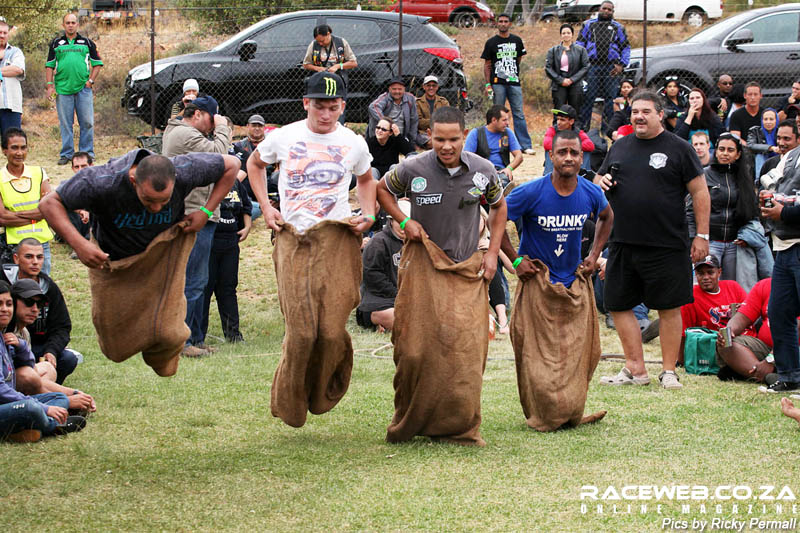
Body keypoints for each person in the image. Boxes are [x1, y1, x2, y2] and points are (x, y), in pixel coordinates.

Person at [246, 71, 376, 427]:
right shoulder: (284, 137)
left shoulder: (353, 142)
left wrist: (369, 213)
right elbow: (254, 165)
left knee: (331, 331)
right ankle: (289, 400)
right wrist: (267, 206)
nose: (325, 114)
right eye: (319, 106)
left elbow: (366, 179)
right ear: (306, 103)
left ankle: (323, 391)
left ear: (342, 107)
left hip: (334, 239)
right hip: (294, 239)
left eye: (333, 107)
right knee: (302, 332)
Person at [377, 106, 507, 445]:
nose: (446, 146)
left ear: (464, 136)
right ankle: (410, 419)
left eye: (453, 139)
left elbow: (499, 207)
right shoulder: (412, 168)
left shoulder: (483, 170)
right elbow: (382, 190)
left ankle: (457, 425)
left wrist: (491, 253)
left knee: (463, 351)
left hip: (466, 269)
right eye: (439, 139)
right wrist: (405, 222)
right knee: (414, 348)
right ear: (429, 137)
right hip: (422, 266)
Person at [595, 90, 710, 390]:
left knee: (669, 307)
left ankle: (669, 371)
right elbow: (599, 181)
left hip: (667, 243)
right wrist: (600, 181)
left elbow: (700, 192)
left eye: (645, 111)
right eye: (634, 112)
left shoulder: (679, 148)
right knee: (617, 303)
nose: (639, 117)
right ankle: (635, 368)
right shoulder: (619, 147)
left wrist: (702, 235)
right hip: (622, 242)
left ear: (660, 114)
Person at [162, 95, 233, 358]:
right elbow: (219, 155)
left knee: (198, 280)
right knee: (192, 280)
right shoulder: (184, 134)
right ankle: (184, 342)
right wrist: (223, 127)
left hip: (200, 212)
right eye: (212, 122)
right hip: (193, 214)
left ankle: (195, 337)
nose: (213, 129)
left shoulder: (182, 132)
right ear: (200, 114)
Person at [500, 129, 612, 288]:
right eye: (562, 152)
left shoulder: (591, 191)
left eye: (574, 153)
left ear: (581, 157)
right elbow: (495, 218)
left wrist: (594, 256)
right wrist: (516, 260)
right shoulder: (529, 192)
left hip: (575, 282)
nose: (568, 158)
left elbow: (607, 216)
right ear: (551, 156)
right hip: (536, 281)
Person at [0, 281, 86, 443]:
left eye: (8, 304)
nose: (5, 309)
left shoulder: (6, 336)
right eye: (0, 304)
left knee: (59, 398)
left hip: (11, 403)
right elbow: (1, 390)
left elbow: (30, 364)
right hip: (8, 404)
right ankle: (52, 426)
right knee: (30, 408)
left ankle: (21, 431)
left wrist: (21, 346)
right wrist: (44, 408)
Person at [3, 239, 79, 385]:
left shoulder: (50, 288)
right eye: (29, 256)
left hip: (36, 347)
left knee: (67, 359)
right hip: (7, 344)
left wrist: (51, 351)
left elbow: (61, 327)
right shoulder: (3, 284)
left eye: (40, 257)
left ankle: (41, 390)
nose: (35, 262)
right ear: (16, 258)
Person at [687, 132, 759, 281]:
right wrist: (694, 238)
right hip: (710, 241)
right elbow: (690, 209)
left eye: (730, 150)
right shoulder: (704, 175)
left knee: (732, 288)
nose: (725, 153)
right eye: (721, 149)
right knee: (705, 286)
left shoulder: (744, 178)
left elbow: (752, 211)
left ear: (738, 154)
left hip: (735, 243)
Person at [758, 142, 800, 392]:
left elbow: (786, 207)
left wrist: (785, 211)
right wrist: (773, 202)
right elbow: (768, 185)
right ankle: (791, 376)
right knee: (779, 312)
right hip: (783, 245)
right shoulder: (792, 155)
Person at [45, 13, 103, 165]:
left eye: (73, 22)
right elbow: (50, 66)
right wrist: (50, 86)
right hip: (63, 89)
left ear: (78, 24)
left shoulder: (87, 43)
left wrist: (90, 81)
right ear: (63, 25)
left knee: (87, 122)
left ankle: (86, 153)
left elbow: (97, 64)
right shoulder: (56, 43)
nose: (70, 25)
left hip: (83, 89)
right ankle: (67, 154)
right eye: (67, 23)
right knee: (65, 123)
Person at [200, 175, 251, 344]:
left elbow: (246, 206)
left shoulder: (235, 182)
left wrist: (247, 226)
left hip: (231, 242)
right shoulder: (205, 181)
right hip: (209, 241)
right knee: (204, 289)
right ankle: (197, 336)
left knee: (228, 289)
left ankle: (234, 335)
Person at [0, 128, 55, 275]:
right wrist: (35, 216)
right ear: (4, 150)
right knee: (16, 291)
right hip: (14, 245)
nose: (19, 153)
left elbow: (49, 209)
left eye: (23, 147)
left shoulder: (39, 173)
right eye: (14, 148)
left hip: (40, 244)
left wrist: (15, 214)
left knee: (41, 289)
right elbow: (2, 217)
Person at [481, 13, 534, 155]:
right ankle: (497, 144)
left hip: (514, 82)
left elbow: (518, 59)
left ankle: (525, 145)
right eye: (500, 21)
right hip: (497, 83)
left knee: (519, 113)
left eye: (506, 21)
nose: (503, 24)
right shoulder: (491, 42)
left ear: (509, 24)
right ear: (497, 24)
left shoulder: (517, 40)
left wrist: (512, 73)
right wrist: (488, 84)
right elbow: (487, 65)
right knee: (497, 114)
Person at [679, 254, 748, 359]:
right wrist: (681, 360)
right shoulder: (690, 297)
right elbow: (684, 334)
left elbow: (751, 315)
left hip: (745, 339)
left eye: (710, 272)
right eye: (700, 274)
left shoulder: (733, 287)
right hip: (714, 345)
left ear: (719, 272)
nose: (706, 277)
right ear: (695, 275)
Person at [356, 199, 410, 332]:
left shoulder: (414, 244)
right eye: (399, 222)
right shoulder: (378, 243)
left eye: (407, 223)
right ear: (391, 220)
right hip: (378, 300)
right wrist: (397, 294)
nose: (403, 227)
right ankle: (377, 320)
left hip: (405, 299)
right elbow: (371, 274)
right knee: (404, 323)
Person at [576, 1, 630, 128]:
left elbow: (626, 47)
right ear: (599, 9)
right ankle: (584, 128)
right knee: (588, 97)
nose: (606, 11)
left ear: (613, 12)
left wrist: (621, 64)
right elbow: (580, 44)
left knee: (610, 99)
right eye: (604, 8)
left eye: (609, 10)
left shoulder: (618, 28)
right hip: (592, 67)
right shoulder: (588, 25)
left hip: (611, 68)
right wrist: (582, 62)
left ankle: (609, 130)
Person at [716, 277, 780, 383]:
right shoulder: (766, 285)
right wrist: (729, 331)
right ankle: (769, 376)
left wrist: (771, 359)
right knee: (726, 344)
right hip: (766, 347)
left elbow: (794, 332)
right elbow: (742, 317)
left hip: (792, 348)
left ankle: (752, 373)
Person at [464, 104, 523, 186]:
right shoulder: (476, 133)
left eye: (508, 120)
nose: (507, 123)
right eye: (504, 120)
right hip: (480, 172)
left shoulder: (508, 133)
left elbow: (519, 156)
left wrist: (509, 168)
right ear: (494, 120)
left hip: (501, 173)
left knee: (503, 183)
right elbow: (467, 158)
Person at [367, 78, 428, 147]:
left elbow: (414, 120)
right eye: (394, 89)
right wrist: (386, 122)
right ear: (389, 89)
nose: (397, 91)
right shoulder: (385, 97)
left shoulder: (410, 99)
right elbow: (373, 106)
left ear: (404, 89)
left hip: (401, 136)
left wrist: (412, 141)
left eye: (400, 89)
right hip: (385, 137)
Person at [544, 24, 589, 118]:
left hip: (575, 84)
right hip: (559, 85)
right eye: (563, 33)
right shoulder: (553, 51)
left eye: (568, 33)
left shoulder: (581, 50)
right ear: (560, 35)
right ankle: (558, 131)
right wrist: (561, 80)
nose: (566, 35)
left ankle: (574, 131)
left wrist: (572, 79)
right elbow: (548, 68)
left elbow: (586, 67)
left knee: (575, 111)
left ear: (572, 34)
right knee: (559, 111)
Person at [230, 114, 267, 220]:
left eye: (259, 126)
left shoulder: (270, 145)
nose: (257, 128)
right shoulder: (238, 146)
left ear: (264, 128)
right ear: (247, 126)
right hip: (246, 184)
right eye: (254, 125)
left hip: (265, 181)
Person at [541, 105, 594, 173]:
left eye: (562, 120)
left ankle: (583, 176)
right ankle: (549, 176)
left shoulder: (578, 132)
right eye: (558, 119)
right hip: (557, 160)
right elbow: (546, 144)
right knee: (550, 150)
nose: (558, 123)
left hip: (573, 161)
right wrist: (567, 147)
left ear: (571, 121)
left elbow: (590, 145)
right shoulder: (552, 130)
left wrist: (570, 148)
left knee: (585, 152)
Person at [0, 19, 25, 134]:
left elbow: (17, 69)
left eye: (5, 33)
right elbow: (11, 70)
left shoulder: (16, 52)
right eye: (0, 32)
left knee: (12, 144)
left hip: (11, 106)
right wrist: (6, 71)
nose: (2, 35)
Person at [747, 107, 779, 178]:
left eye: (771, 119)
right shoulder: (755, 130)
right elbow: (751, 145)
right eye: (765, 119)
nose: (768, 122)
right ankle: (759, 181)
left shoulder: (780, 131)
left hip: (777, 159)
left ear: (776, 120)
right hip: (760, 160)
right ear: (762, 120)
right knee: (760, 155)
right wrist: (770, 148)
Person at [416, 75, 449, 140]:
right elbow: (419, 122)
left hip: (441, 132)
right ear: (424, 87)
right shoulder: (418, 102)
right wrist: (437, 121)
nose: (431, 88)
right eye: (428, 85)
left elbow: (447, 119)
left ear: (437, 87)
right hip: (424, 133)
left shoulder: (443, 102)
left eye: (434, 85)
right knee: (432, 143)